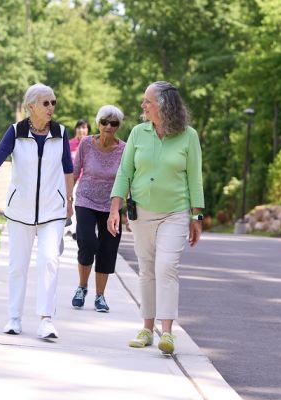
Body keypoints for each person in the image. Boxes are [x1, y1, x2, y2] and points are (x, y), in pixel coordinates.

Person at [107, 81, 204, 355]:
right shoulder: (138, 133)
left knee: (166, 267)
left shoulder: (188, 136)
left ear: (163, 104)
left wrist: (197, 215)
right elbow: (124, 173)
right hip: (141, 213)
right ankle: (147, 329)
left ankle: (168, 333)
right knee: (147, 270)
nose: (143, 105)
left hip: (174, 212)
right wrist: (115, 208)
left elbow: (195, 178)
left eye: (147, 101)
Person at [0, 83, 74, 340]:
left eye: (53, 103)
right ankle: (14, 318)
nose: (51, 107)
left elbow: (68, 169)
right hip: (20, 211)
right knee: (18, 265)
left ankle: (46, 320)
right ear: (31, 106)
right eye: (46, 103)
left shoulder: (61, 133)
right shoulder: (15, 132)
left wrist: (69, 199)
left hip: (53, 210)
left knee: (50, 261)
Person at [70, 105, 126, 313]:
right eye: (104, 122)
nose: (108, 127)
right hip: (85, 199)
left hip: (111, 205)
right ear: (98, 123)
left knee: (108, 249)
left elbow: (127, 179)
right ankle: (82, 287)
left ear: (119, 126)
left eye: (114, 123)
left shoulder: (124, 149)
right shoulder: (86, 143)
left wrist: (123, 209)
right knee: (87, 242)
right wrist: (67, 199)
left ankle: (100, 296)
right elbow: (75, 172)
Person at [66, 119, 90, 238]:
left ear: (88, 130)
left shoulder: (92, 145)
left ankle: (75, 229)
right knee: (71, 200)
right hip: (70, 179)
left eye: (84, 127)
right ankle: (70, 228)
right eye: (79, 127)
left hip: (85, 180)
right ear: (76, 129)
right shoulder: (69, 144)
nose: (81, 130)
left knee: (79, 204)